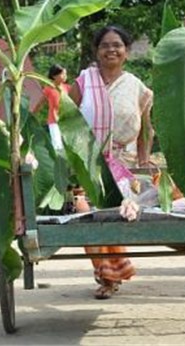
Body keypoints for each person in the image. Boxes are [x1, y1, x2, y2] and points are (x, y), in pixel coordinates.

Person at [69, 25, 153, 299]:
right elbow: (67, 122)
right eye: (105, 45)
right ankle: (107, 273)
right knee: (87, 212)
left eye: (117, 45)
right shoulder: (84, 83)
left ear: (126, 52)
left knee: (120, 211)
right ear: (96, 51)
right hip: (87, 165)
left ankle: (110, 273)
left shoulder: (137, 87)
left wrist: (144, 161)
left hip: (124, 166)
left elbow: (146, 129)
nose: (111, 50)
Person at [33, 63, 70, 150]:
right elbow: (40, 103)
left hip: (66, 120)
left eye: (66, 74)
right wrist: (32, 114)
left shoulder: (68, 88)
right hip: (54, 121)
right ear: (54, 76)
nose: (65, 76)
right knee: (57, 145)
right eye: (62, 74)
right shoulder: (48, 89)